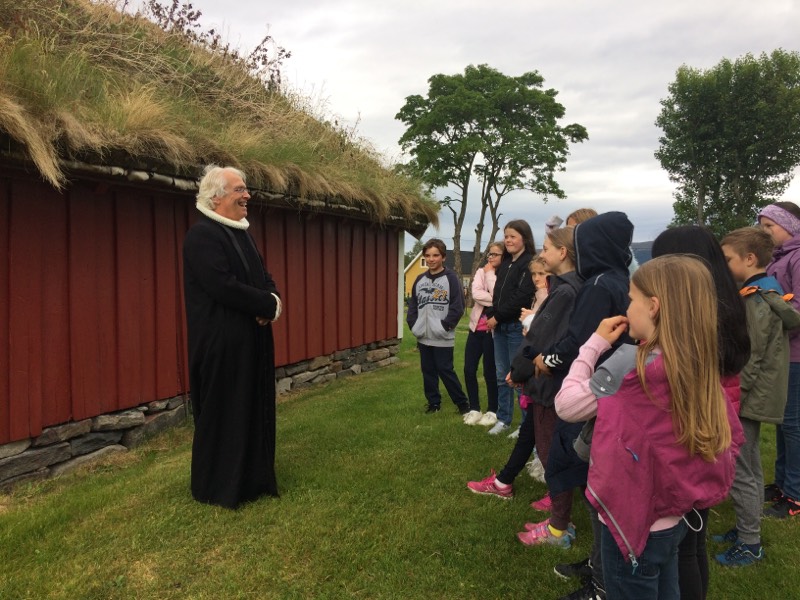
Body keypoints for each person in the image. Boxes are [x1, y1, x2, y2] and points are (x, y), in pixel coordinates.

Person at [556, 255, 742, 600]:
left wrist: (593, 344)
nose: (627, 307)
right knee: (666, 587)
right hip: (674, 518)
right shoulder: (698, 362)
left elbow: (566, 406)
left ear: (653, 306)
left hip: (631, 524)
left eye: (631, 298)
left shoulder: (632, 365)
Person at [649, 225, 750, 600]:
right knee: (694, 535)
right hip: (716, 430)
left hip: (691, 431)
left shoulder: (691, 315)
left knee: (683, 544)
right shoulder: (727, 304)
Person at [466, 228, 581, 534]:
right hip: (541, 380)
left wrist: (521, 370)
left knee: (551, 451)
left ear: (563, 253)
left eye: (546, 249)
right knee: (537, 438)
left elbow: (544, 337)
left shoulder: (565, 291)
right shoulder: (563, 287)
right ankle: (506, 482)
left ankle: (559, 526)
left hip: (549, 382)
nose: (541, 254)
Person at [183, 165, 283, 509]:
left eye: (246, 189)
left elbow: (264, 277)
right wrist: (265, 303)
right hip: (221, 345)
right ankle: (218, 486)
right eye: (240, 189)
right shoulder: (202, 236)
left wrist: (272, 301)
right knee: (225, 411)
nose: (247, 195)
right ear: (217, 197)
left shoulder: (243, 234)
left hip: (251, 342)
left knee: (252, 407)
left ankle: (254, 479)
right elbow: (221, 286)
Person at [713, 227, 800, 566]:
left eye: (727, 259)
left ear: (749, 260)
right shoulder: (764, 293)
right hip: (749, 394)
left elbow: (751, 355)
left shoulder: (758, 299)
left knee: (742, 467)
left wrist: (736, 394)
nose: (723, 265)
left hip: (745, 397)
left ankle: (750, 542)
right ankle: (746, 526)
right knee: (748, 463)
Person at [758, 201, 800, 519]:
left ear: (790, 226)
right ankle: (783, 483)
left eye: (769, 225)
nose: (764, 231)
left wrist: (768, 310)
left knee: (794, 425)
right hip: (782, 351)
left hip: (796, 353)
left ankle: (796, 494)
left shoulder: (797, 258)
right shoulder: (778, 259)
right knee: (785, 423)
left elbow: (796, 308)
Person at [485, 220, 536, 435]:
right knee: (500, 374)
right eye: (506, 236)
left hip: (515, 326)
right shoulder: (505, 263)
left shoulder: (528, 263)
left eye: (513, 236)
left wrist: (497, 317)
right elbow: (498, 293)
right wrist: (492, 314)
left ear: (524, 238)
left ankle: (524, 425)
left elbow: (521, 297)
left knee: (517, 376)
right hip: (500, 328)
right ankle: (504, 419)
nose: (508, 240)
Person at [407, 238, 470, 415]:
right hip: (423, 335)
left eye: (435, 255)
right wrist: (414, 325)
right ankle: (433, 403)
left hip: (442, 335)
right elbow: (413, 305)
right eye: (427, 255)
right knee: (428, 371)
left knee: (445, 370)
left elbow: (458, 307)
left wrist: (444, 326)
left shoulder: (451, 279)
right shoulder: (420, 279)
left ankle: (462, 404)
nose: (431, 259)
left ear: (443, 257)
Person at [463, 243, 503, 426]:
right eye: (489, 254)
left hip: (492, 332)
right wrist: (495, 297)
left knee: (490, 372)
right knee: (469, 369)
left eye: (495, 254)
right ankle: (474, 408)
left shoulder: (504, 275)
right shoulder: (480, 271)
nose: (490, 257)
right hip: (475, 329)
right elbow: (476, 294)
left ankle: (493, 410)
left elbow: (502, 297)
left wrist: (490, 279)